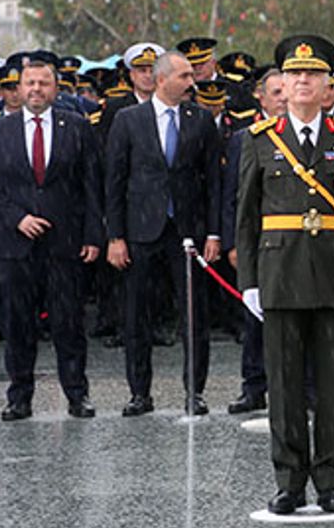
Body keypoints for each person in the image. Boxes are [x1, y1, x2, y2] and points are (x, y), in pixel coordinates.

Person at [236, 35, 334, 515]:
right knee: (283, 387)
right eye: (295, 74)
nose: (303, 81)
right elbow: (246, 215)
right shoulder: (259, 139)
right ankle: (289, 482)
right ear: (281, 82)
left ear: (328, 85)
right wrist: (250, 282)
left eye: (314, 75)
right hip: (279, 274)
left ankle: (330, 481)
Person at [0, 59, 104, 421]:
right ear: (19, 89)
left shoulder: (77, 128)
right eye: (30, 83)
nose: (36, 89)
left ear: (56, 88)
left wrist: (93, 235)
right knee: (19, 324)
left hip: (64, 244)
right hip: (14, 245)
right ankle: (19, 396)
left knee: (69, 324)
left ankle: (77, 394)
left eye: (44, 83)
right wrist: (16, 218)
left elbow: (90, 186)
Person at [105, 50, 223, 417]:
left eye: (191, 76)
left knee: (193, 316)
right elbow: (115, 180)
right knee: (137, 314)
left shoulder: (200, 119)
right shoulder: (128, 120)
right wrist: (115, 236)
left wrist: (215, 233)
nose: (193, 82)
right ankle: (139, 392)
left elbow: (213, 183)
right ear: (161, 80)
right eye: (184, 76)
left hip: (187, 231)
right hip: (141, 231)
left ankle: (195, 392)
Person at [222, 68, 287, 415]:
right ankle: (254, 385)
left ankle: (304, 388)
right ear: (260, 98)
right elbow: (233, 195)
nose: (283, 99)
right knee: (254, 315)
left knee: (298, 316)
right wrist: (235, 242)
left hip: (293, 242)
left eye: (286, 92)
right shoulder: (244, 137)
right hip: (259, 240)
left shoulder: (300, 133)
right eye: (276, 93)